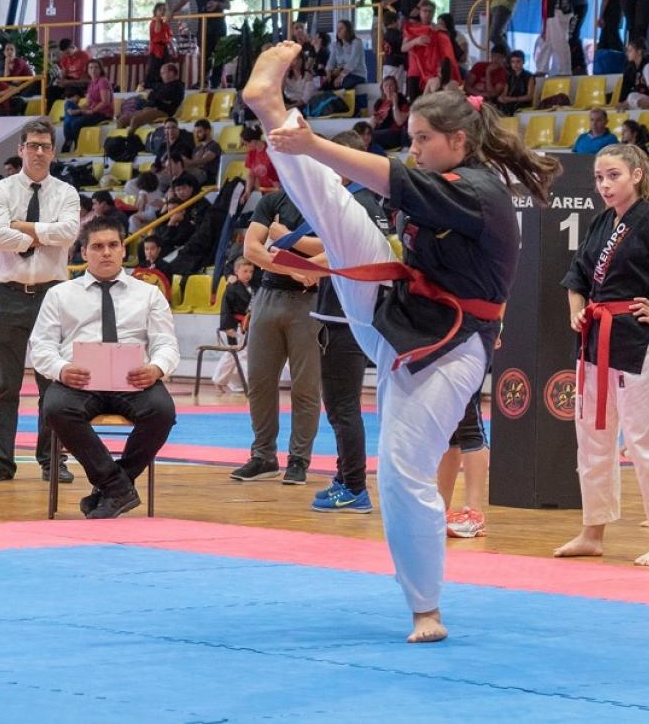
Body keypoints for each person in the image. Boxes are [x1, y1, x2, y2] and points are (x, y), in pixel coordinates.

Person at [242, 41, 561, 642]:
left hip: (451, 346)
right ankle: (269, 108)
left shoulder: (478, 191)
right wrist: (295, 139)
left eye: (422, 140)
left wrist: (313, 144)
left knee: (401, 465)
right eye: (410, 138)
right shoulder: (443, 177)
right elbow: (389, 186)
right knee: (335, 210)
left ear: (459, 143)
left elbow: (394, 179)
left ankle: (426, 608)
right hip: (397, 313)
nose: (413, 149)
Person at [557, 143, 649, 566]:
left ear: (636, 174)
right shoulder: (600, 223)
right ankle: (592, 531)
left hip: (638, 342)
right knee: (592, 441)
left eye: (613, 175)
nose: (604, 185)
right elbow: (576, 276)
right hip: (595, 340)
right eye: (599, 178)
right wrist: (577, 311)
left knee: (648, 443)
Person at [30, 217, 179, 519]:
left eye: (113, 245)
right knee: (55, 407)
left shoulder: (148, 294)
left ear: (124, 250)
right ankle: (116, 486)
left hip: (134, 380)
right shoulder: (60, 294)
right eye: (97, 246)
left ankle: (112, 487)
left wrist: (156, 368)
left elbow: (167, 344)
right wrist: (61, 369)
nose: (106, 252)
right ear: (83, 252)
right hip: (79, 380)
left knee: (162, 412)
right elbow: (41, 346)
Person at [0, 119, 80, 484]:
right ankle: (1, 461)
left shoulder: (67, 193)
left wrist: (22, 228)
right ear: (21, 149)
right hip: (9, 294)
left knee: (52, 384)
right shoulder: (1, 190)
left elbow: (69, 232)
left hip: (53, 296)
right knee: (6, 384)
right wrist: (41, 235)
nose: (38, 152)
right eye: (32, 145)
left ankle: (52, 459)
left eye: (45, 146)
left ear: (53, 152)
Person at [308, 130, 389, 514]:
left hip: (346, 317)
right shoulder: (366, 200)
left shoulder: (355, 201)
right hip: (344, 313)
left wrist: (302, 267)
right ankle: (346, 477)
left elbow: (348, 257)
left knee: (343, 406)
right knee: (340, 405)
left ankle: (355, 485)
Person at [230, 179, 323, 487]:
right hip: (268, 297)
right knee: (258, 380)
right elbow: (251, 250)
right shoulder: (273, 202)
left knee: (305, 386)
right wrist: (295, 269)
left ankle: (299, 460)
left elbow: (333, 249)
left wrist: (283, 240)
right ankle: (263, 456)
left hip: (309, 303)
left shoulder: (327, 202)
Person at [437, 389, 490, 537]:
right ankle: (441, 509)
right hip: (442, 367)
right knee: (448, 430)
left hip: (465, 367)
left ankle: (475, 515)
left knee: (470, 424)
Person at [169, 0, 229, 89]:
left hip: (218, 26)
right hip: (204, 26)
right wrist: (173, 12)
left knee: (219, 55)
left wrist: (217, 4)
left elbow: (228, 5)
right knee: (204, 54)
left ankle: (215, 82)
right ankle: (203, 81)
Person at [523, 0, 576, 77]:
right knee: (546, 40)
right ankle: (542, 69)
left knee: (559, 41)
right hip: (551, 9)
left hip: (560, 8)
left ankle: (564, 71)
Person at [212, 256, 254, 393]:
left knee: (233, 355)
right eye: (245, 271)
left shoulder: (251, 288)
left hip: (245, 325)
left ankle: (219, 380)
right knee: (239, 354)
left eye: (250, 272)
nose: (248, 274)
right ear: (236, 271)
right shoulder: (231, 288)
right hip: (233, 325)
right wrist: (227, 327)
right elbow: (225, 308)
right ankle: (250, 383)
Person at [61, 59, 113, 153]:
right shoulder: (91, 83)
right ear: (88, 70)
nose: (93, 70)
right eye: (91, 68)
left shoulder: (103, 81)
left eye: (96, 67)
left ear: (100, 70)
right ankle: (68, 140)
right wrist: (79, 110)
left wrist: (91, 111)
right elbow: (88, 103)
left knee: (75, 123)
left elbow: (105, 102)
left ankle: (77, 146)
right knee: (68, 105)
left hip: (102, 113)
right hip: (91, 111)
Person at [117, 62, 185, 134]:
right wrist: (153, 94)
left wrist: (152, 95)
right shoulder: (162, 85)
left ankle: (130, 140)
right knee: (122, 120)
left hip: (163, 111)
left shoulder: (177, 87)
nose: (161, 75)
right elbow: (156, 95)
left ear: (171, 73)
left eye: (163, 73)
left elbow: (162, 97)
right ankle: (118, 140)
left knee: (135, 120)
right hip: (150, 108)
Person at [323, 20, 368, 92]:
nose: (338, 31)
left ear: (348, 30)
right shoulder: (336, 45)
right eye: (337, 29)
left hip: (356, 75)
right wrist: (328, 75)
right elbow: (330, 62)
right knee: (324, 85)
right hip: (341, 74)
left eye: (341, 28)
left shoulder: (357, 42)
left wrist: (341, 76)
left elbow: (352, 63)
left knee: (343, 84)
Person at [371, 75, 411, 149]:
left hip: (395, 133)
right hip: (380, 131)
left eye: (391, 85)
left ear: (396, 87)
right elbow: (372, 125)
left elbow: (399, 121)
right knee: (361, 135)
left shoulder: (401, 100)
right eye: (386, 85)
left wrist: (395, 104)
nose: (388, 88)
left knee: (369, 137)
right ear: (382, 88)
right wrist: (374, 121)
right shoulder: (379, 102)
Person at [241, 125, 280, 200]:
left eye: (245, 144)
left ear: (252, 142)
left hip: (277, 191)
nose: (245, 146)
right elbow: (251, 175)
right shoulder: (251, 153)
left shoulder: (271, 150)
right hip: (263, 192)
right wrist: (247, 191)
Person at [496, 49, 535, 116]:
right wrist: (502, 98)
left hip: (523, 104)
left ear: (523, 62)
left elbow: (529, 96)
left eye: (518, 61)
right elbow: (505, 93)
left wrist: (512, 99)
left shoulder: (529, 76)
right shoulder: (509, 76)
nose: (515, 64)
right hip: (510, 103)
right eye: (513, 62)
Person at [185, 118, 222, 186]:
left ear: (208, 131)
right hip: (196, 173)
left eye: (199, 132)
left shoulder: (214, 146)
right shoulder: (197, 148)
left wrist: (187, 162)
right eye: (195, 132)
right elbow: (195, 164)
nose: (196, 135)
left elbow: (204, 160)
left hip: (207, 176)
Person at [145, 3, 173, 87]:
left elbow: (170, 37)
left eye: (164, 10)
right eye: (160, 10)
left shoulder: (166, 24)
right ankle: (150, 85)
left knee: (166, 67)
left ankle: (165, 84)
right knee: (154, 68)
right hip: (156, 48)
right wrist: (158, 20)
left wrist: (173, 48)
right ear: (155, 11)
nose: (163, 11)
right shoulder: (153, 22)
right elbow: (157, 31)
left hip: (164, 48)